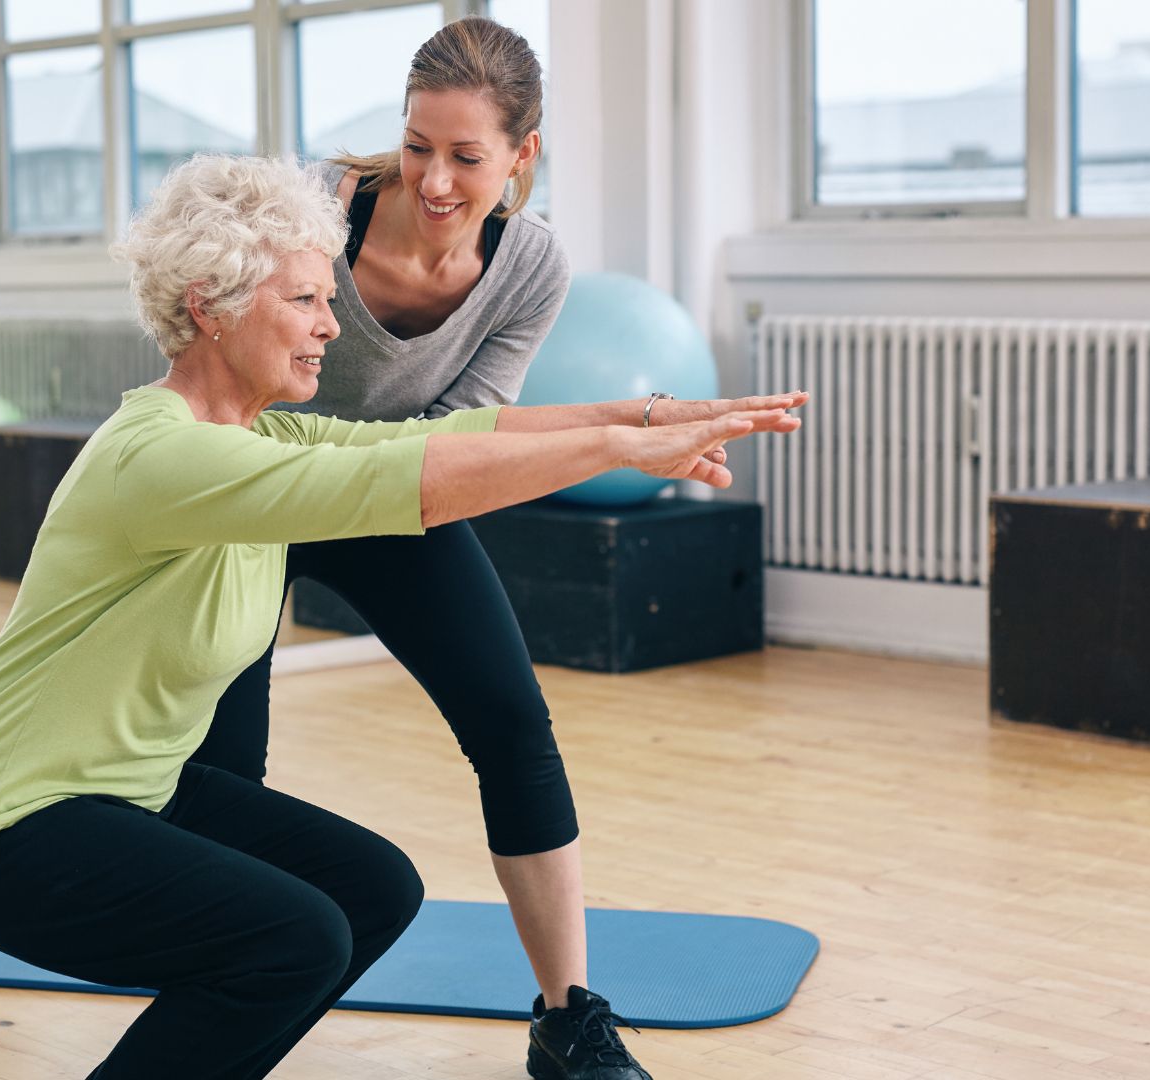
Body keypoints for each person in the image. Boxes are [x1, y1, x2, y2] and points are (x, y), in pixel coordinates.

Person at [0, 152, 804, 1080]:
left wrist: (644, 417)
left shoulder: (263, 430)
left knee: (370, 891)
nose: (333, 328)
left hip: (128, 789)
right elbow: (404, 481)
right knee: (290, 938)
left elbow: (443, 436)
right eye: (304, 301)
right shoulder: (162, 458)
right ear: (209, 304)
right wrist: (615, 451)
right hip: (4, 824)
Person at [192, 19, 757, 1077]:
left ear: (521, 156)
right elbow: (216, 362)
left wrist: (628, 432)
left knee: (511, 722)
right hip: (261, 490)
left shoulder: (529, 265)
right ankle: (220, 986)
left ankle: (568, 1018)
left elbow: (465, 438)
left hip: (398, 492)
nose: (436, 180)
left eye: (466, 156)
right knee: (225, 764)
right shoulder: (315, 212)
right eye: (417, 147)